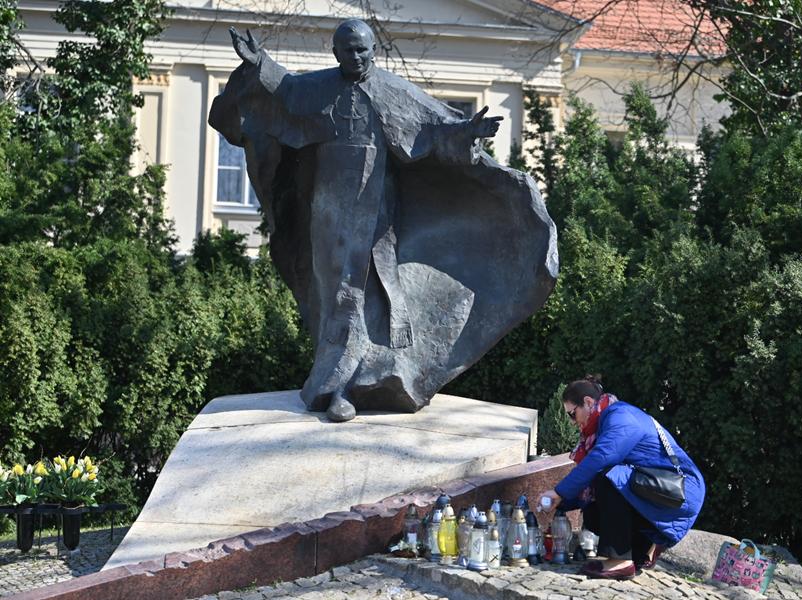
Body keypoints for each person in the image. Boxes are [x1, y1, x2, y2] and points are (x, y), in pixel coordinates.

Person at [209, 20, 558, 422]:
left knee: (361, 292)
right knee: (333, 292)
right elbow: (288, 91)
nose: (356, 57)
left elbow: (434, 127)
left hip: (373, 208)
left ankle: (351, 384)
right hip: (328, 209)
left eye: (362, 50)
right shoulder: (321, 86)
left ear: (374, 49)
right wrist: (260, 63)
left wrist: (468, 131)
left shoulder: (391, 90)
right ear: (335, 52)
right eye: (347, 51)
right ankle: (341, 383)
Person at [540, 376, 705, 580]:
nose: (573, 422)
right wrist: (562, 502)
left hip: (681, 491)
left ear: (588, 402)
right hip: (657, 487)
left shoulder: (620, 416)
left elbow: (601, 458)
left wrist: (559, 492)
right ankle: (637, 554)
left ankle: (620, 561)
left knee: (609, 479)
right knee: (593, 510)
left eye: (572, 414)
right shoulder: (609, 420)